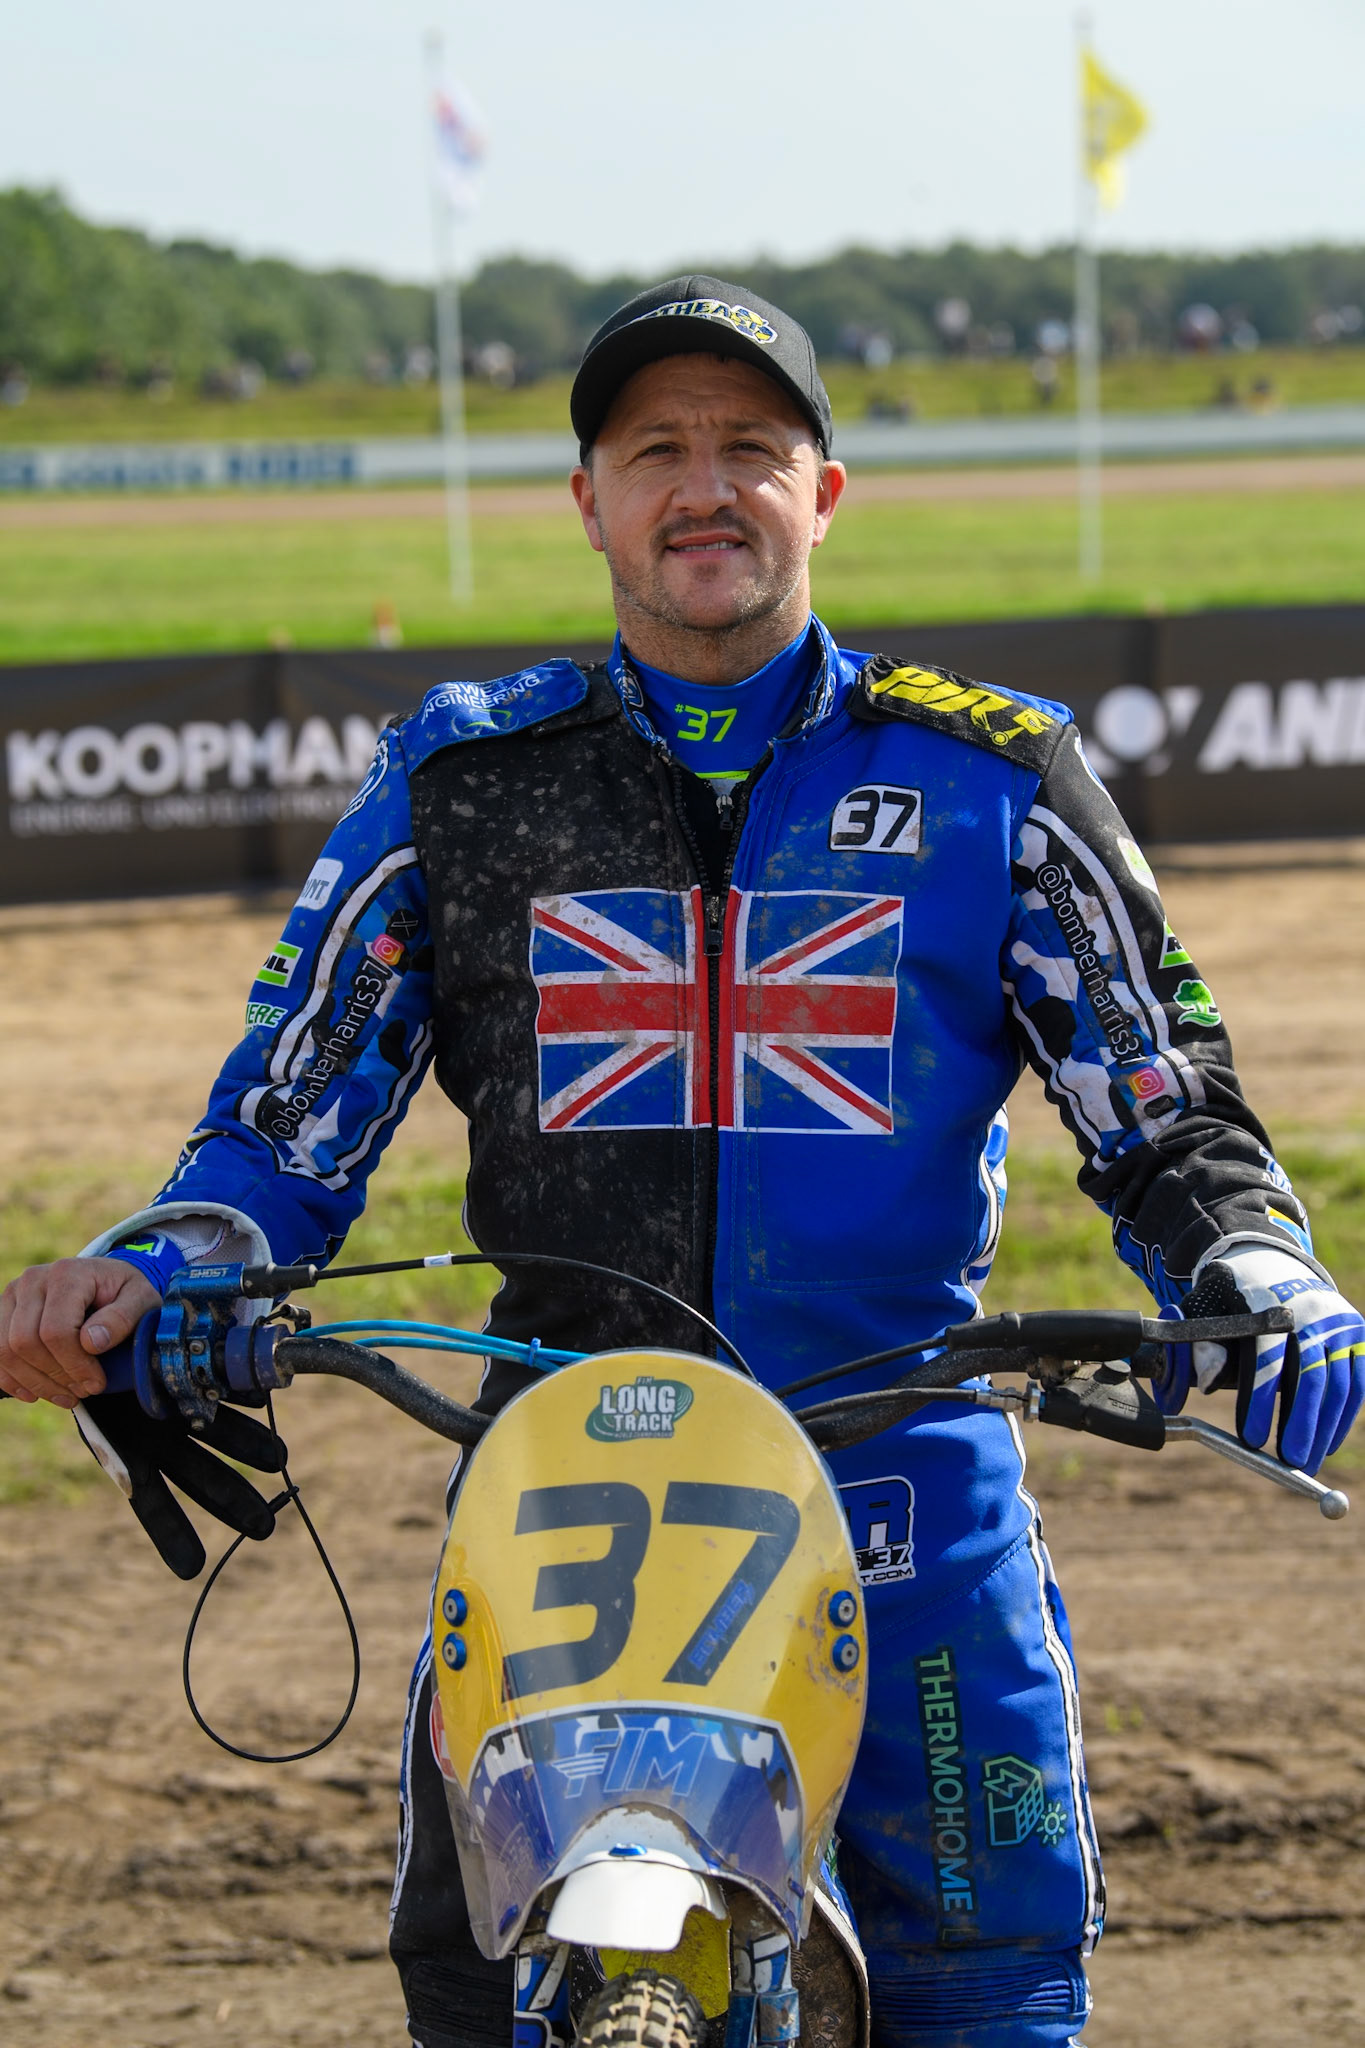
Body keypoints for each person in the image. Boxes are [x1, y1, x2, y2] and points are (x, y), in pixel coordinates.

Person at [3, 276, 1363, 2048]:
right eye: (655, 450)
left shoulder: (994, 776)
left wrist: (1255, 1266)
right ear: (589, 501)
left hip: (905, 1504)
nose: (703, 488)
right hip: (559, 1510)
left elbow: (1165, 1109)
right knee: (485, 2000)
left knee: (988, 1997)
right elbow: (281, 1128)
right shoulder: (459, 781)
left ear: (824, 492)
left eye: (750, 448)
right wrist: (161, 1268)